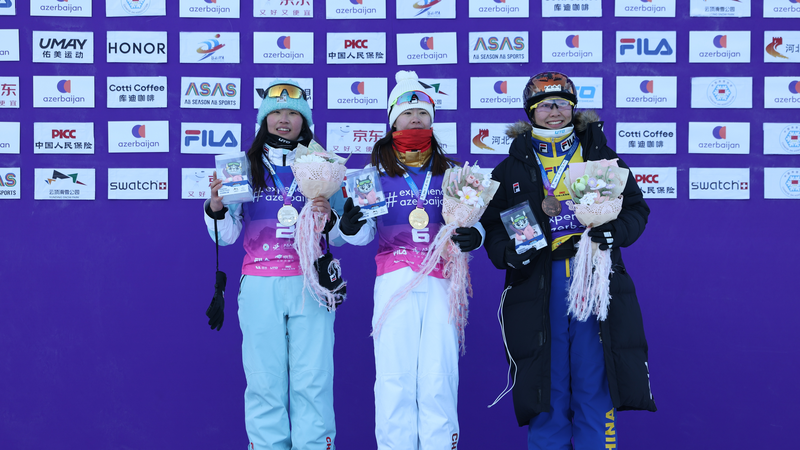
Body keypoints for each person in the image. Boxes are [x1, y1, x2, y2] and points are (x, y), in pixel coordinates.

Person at [480, 71, 657, 450]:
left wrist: (615, 234)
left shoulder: (599, 154)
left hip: (591, 275)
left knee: (594, 380)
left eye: (562, 103)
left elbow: (636, 209)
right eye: (544, 105)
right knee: (547, 384)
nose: (554, 111)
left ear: (573, 108)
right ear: (530, 112)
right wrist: (508, 254)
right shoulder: (510, 167)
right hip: (538, 281)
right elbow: (492, 226)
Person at [337, 70, 484, 450]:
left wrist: (474, 237)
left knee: (438, 376)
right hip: (395, 281)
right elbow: (362, 235)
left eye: (423, 113)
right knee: (394, 377)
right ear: (392, 121)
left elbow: (471, 226)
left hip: (441, 280)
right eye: (407, 112)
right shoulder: (371, 176)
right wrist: (351, 225)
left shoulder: (454, 174)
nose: (415, 118)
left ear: (432, 121)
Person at [204, 79, 344, 450]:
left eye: (293, 114)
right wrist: (216, 207)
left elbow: (345, 233)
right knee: (264, 383)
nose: (284, 120)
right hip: (260, 284)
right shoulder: (245, 165)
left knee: (312, 381)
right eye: (276, 112)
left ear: (304, 121)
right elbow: (227, 235)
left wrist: (330, 218)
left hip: (309, 283)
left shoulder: (322, 164)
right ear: (264, 119)